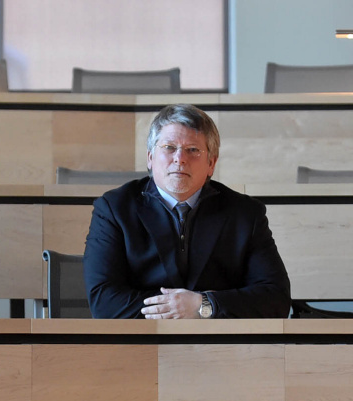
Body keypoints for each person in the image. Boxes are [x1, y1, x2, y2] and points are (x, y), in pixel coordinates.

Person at [83, 104, 290, 319]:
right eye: (169, 147)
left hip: (222, 345)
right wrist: (177, 308)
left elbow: (277, 299)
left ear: (211, 163)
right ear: (150, 158)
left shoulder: (246, 214)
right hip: (141, 345)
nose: (180, 158)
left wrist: (204, 305)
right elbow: (104, 303)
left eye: (192, 150)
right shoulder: (114, 209)